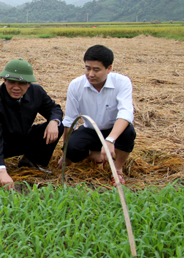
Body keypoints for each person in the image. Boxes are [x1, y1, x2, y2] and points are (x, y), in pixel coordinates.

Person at [0, 59, 64, 190]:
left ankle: (31, 161)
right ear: (4, 81)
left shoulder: (37, 92)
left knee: (58, 125)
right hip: (3, 143)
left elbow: (55, 109)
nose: (16, 87)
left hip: (24, 137)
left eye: (21, 83)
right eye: (11, 82)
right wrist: (2, 170)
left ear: (29, 84)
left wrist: (53, 121)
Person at [57, 45, 136, 186]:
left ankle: (117, 169)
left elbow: (126, 113)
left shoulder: (122, 82)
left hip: (114, 131)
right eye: (88, 68)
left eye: (96, 70)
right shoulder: (76, 85)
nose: (91, 74)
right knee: (72, 148)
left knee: (128, 132)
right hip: (90, 131)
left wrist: (110, 140)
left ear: (109, 68)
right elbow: (70, 120)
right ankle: (98, 156)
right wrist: (66, 153)